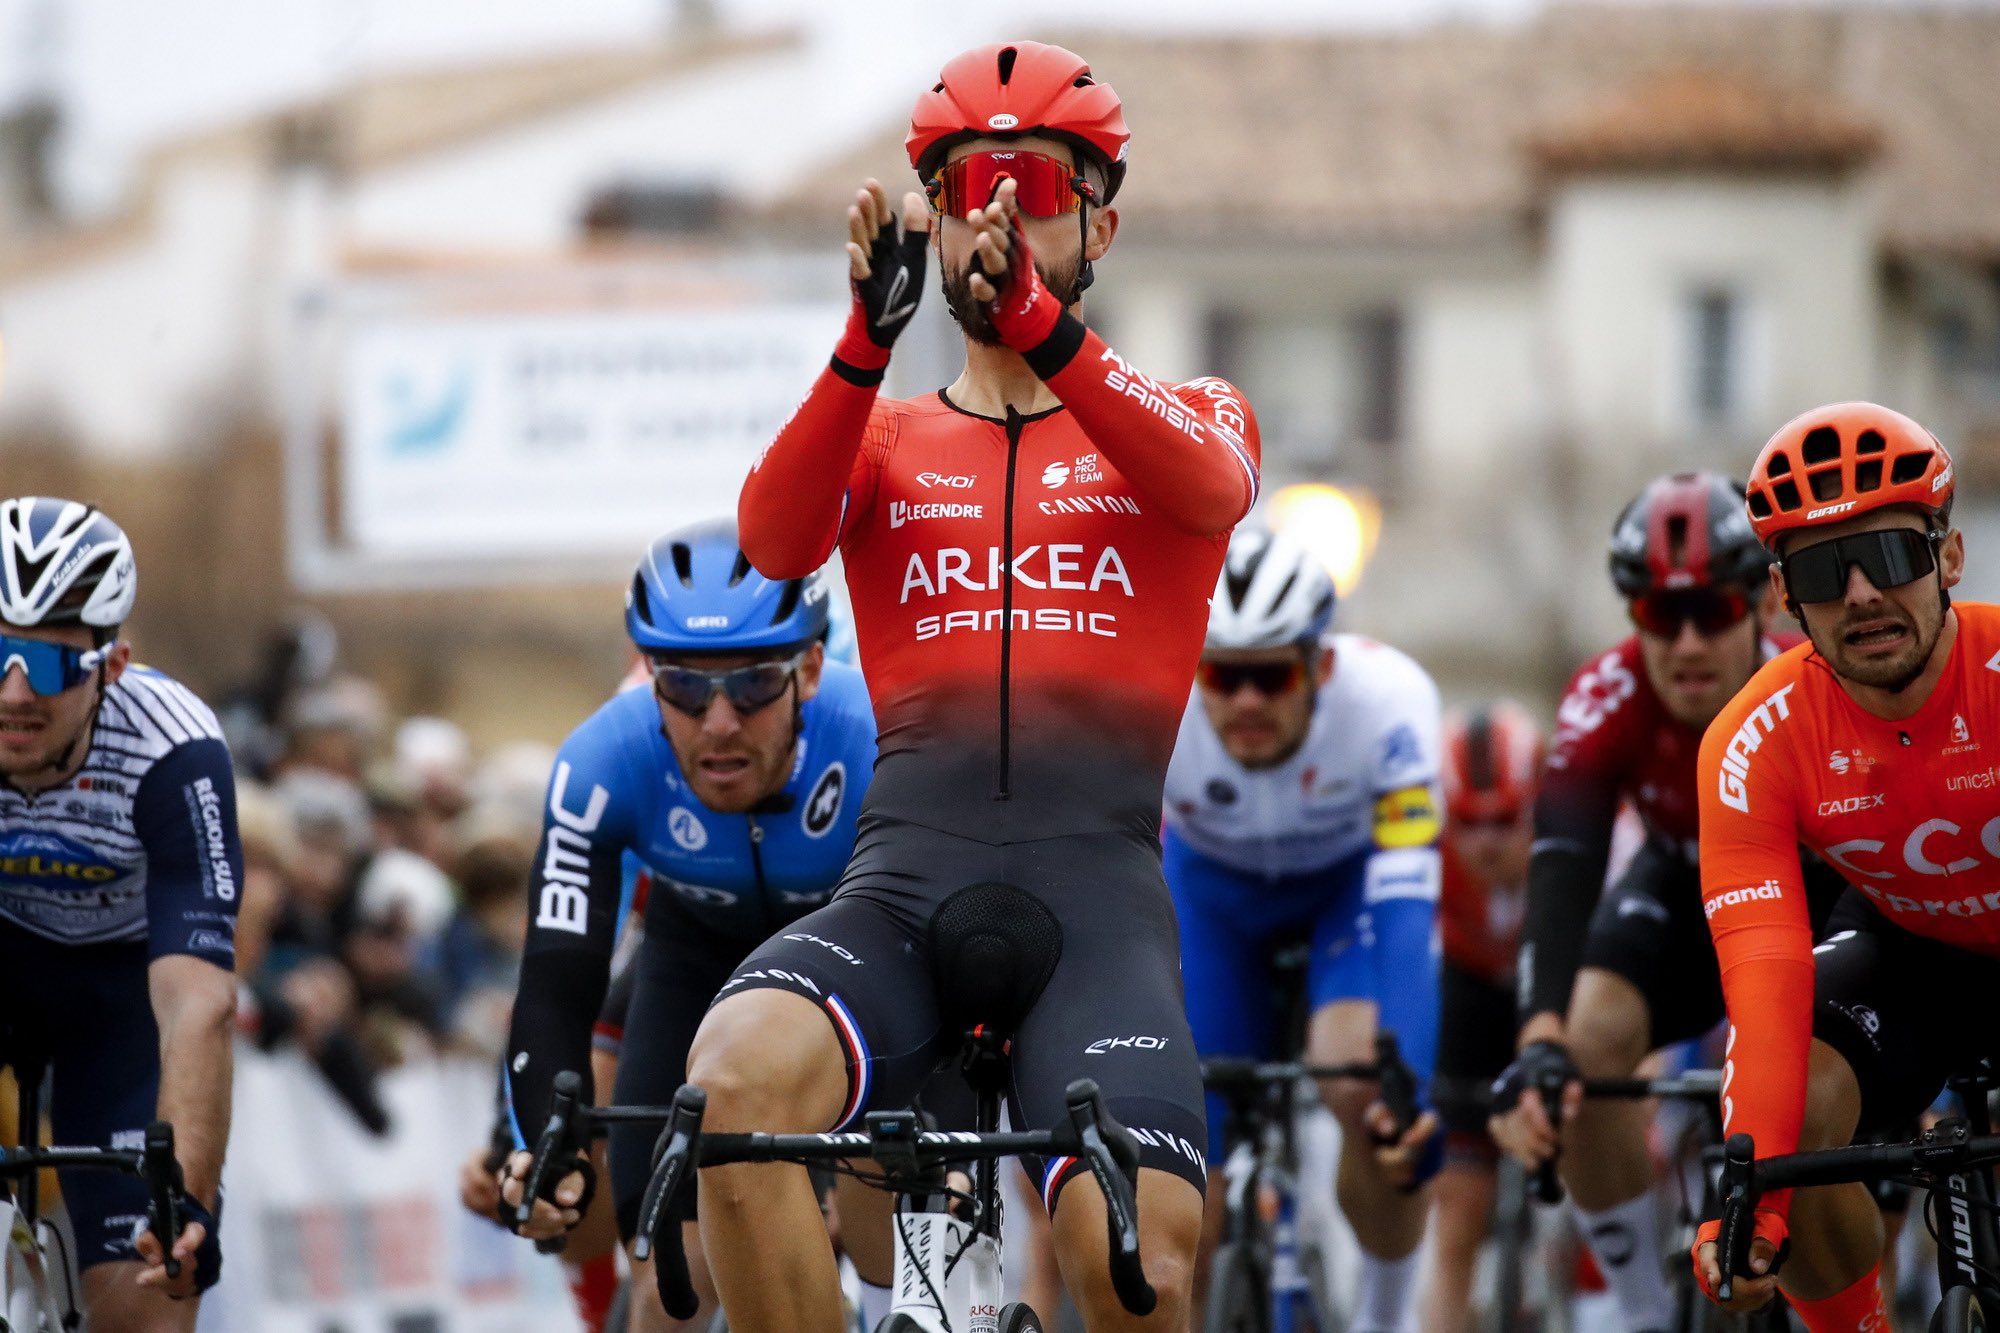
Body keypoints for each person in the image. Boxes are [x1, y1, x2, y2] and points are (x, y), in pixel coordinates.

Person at [700, 39, 1260, 1333]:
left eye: (1040, 189)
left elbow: (1213, 494)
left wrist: (1042, 335)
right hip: (904, 893)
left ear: (1101, 223)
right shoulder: (886, 439)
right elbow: (775, 545)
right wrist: (860, 342)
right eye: (965, 187)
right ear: (930, 216)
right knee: (730, 1085)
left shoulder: (1193, 412)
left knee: (1140, 1268)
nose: (998, 215)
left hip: (1096, 912)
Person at [495, 520, 884, 1333]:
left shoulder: (878, 734)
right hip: (695, 957)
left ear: (808, 670)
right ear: (648, 677)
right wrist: (542, 1142)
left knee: (891, 1240)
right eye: (681, 686)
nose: (717, 722)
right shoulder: (603, 759)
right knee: (667, 1287)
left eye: (749, 686)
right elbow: (557, 982)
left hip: (862, 955)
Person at [1486, 469, 1845, 1331]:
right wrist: (1540, 1037)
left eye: (1711, 613)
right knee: (1584, 1044)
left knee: (1830, 1079)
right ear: (1631, 618)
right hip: (1680, 891)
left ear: (1761, 605)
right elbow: (1565, 858)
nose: (1686, 643)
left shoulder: (1812, 683)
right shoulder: (1603, 696)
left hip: (1805, 895)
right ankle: (1643, 1310)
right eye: (1658, 614)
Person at [1690, 403, 1996, 1330]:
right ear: (1786, 597)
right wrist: (1757, 1203)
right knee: (1788, 1122)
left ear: (1947, 559)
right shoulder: (1753, 737)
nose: (1862, 593)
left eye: (1892, 555)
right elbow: (1766, 982)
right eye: (1825, 569)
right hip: (1914, 949)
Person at [1162, 525, 1444, 1332]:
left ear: (1320, 664)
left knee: (1362, 1086)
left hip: (1344, 893)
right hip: (1213, 898)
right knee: (1187, 1188)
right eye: (1224, 674)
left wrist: (1409, 1087)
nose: (1247, 700)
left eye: (1273, 674)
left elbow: (1404, 901)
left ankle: (1387, 1320)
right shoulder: (1159, 706)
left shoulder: (1390, 702)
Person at [0, 496, 237, 1330]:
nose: (15, 691)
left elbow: (198, 1001)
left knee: (149, 1293)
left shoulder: (173, 747)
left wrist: (186, 1203)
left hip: (120, 994)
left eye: (51, 662)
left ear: (115, 664)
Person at [1421, 700, 1543, 1333]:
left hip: (1549, 990)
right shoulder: (1426, 853)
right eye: (1467, 824)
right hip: (1469, 993)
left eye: (1505, 821)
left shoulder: (1583, 835)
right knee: (1457, 1210)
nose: (1487, 844)